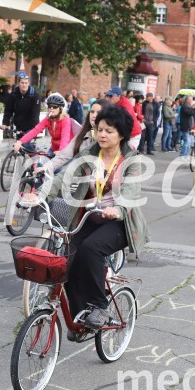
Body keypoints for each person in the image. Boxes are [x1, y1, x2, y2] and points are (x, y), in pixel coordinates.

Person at [28, 105, 149, 337]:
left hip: (119, 222)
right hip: (89, 217)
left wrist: (118, 208)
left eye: (109, 131)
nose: (102, 135)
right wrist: (40, 196)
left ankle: (100, 307)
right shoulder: (88, 155)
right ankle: (80, 317)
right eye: (99, 129)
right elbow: (62, 178)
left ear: (121, 134)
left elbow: (132, 192)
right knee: (68, 263)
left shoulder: (132, 160)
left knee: (90, 250)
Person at [50, 99, 111, 170]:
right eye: (92, 112)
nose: (94, 115)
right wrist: (47, 167)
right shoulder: (82, 135)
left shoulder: (112, 138)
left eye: (98, 112)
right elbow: (65, 155)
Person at [1, 72, 40, 137]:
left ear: (28, 84)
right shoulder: (14, 95)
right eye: (22, 83)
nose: (24, 85)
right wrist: (5, 123)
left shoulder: (34, 95)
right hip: (19, 125)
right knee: (19, 145)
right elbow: (8, 110)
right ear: (19, 83)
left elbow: (35, 113)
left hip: (30, 124)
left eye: (26, 83)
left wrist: (35, 128)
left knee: (27, 145)